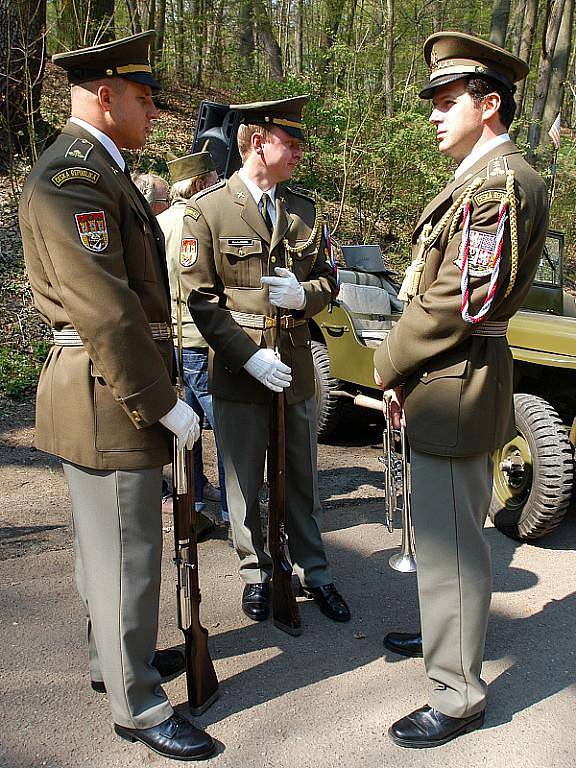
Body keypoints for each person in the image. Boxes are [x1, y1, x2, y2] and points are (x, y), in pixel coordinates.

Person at [18, 31, 215, 761]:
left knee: (108, 547)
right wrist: (161, 398)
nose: (154, 110)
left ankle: (116, 664)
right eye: (142, 98)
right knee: (128, 549)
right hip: (110, 390)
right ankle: (137, 705)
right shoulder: (74, 178)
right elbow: (105, 308)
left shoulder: (104, 169)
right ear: (105, 95)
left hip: (107, 386)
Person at [373, 32, 549, 748]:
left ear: (491, 104)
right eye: (435, 104)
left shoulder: (501, 183)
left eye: (449, 103)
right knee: (441, 536)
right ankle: (444, 640)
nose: (434, 116)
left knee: (452, 545)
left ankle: (457, 695)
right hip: (444, 376)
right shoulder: (476, 181)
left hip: (459, 377)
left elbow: (456, 302)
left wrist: (385, 361)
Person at [179, 97, 351, 625]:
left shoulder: (304, 210)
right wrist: (250, 358)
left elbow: (329, 279)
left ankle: (315, 572)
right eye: (290, 143)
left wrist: (306, 296)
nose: (299, 153)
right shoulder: (207, 210)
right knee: (243, 478)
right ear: (258, 142)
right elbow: (200, 300)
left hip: (296, 368)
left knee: (302, 475)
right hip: (238, 370)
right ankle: (255, 571)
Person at [158, 151, 229, 527]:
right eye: (215, 179)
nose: (219, 185)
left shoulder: (161, 223)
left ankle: (194, 500)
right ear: (200, 183)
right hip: (205, 338)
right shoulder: (203, 220)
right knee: (226, 425)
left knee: (188, 424)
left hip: (174, 338)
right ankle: (233, 509)